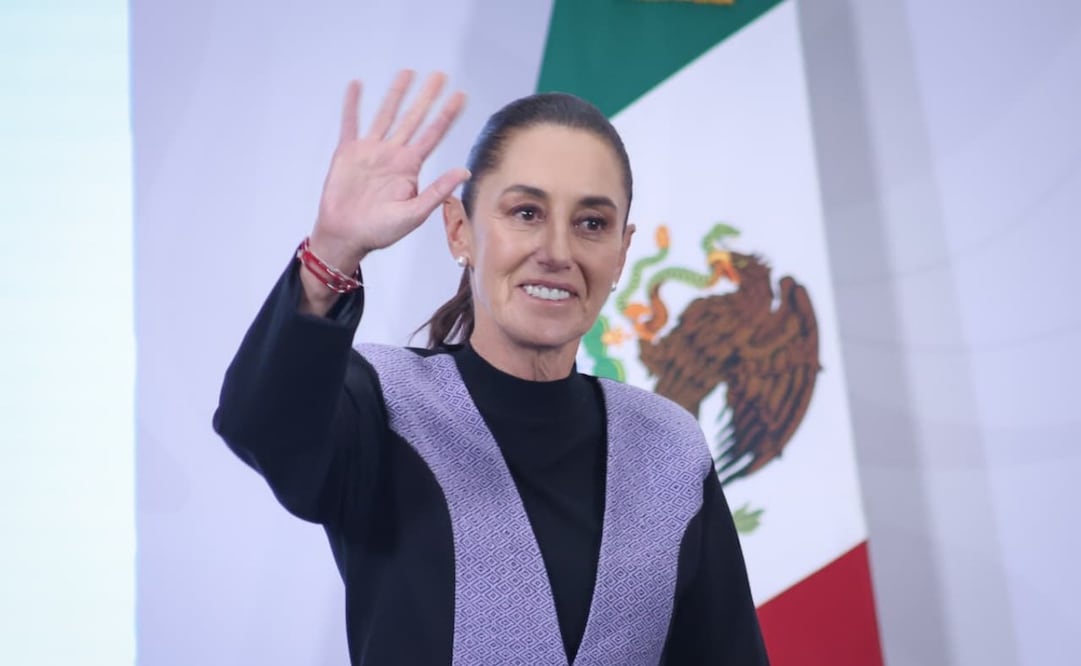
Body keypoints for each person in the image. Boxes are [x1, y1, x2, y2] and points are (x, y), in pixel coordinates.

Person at [213, 70, 769, 665]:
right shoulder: (380, 406)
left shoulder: (670, 450)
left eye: (591, 223)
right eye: (526, 212)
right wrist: (331, 251)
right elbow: (261, 424)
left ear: (621, 253)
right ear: (461, 231)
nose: (557, 251)